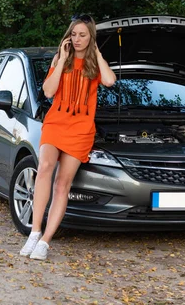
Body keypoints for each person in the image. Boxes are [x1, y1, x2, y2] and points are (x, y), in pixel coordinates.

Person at [20, 14, 116, 261]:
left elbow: (109, 81)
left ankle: (44, 242)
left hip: (81, 128)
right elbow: (49, 91)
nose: (77, 39)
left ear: (91, 37)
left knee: (62, 184)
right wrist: (62, 59)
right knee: (44, 168)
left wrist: (99, 53)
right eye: (74, 34)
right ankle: (35, 231)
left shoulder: (95, 63)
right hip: (56, 122)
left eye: (83, 35)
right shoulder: (61, 58)